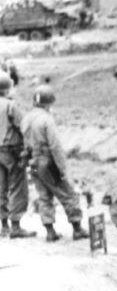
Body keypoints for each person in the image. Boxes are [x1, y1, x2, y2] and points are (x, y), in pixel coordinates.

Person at [21, 86, 87, 242]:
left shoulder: (26, 119)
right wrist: (63, 170)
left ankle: (50, 231)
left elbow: (25, 144)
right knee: (68, 193)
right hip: (47, 162)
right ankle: (77, 228)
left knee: (43, 196)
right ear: (48, 103)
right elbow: (55, 146)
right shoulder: (46, 119)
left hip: (33, 162)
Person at [0, 71, 34, 238]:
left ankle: (3, 225)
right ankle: (15, 226)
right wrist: (27, 149)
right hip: (11, 150)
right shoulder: (10, 105)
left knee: (1, 187)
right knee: (17, 187)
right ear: (8, 89)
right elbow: (24, 126)